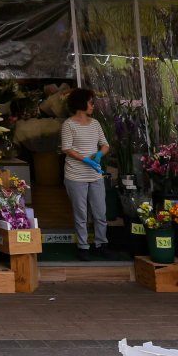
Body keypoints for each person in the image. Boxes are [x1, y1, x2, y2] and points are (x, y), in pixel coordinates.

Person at [59, 88, 112, 259]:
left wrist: (98, 154)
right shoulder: (68, 124)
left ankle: (101, 244)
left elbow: (105, 144)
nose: (93, 106)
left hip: (95, 175)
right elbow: (67, 148)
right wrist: (85, 159)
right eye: (90, 102)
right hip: (75, 176)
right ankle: (83, 246)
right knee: (81, 213)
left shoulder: (95, 123)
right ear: (81, 104)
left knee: (100, 212)